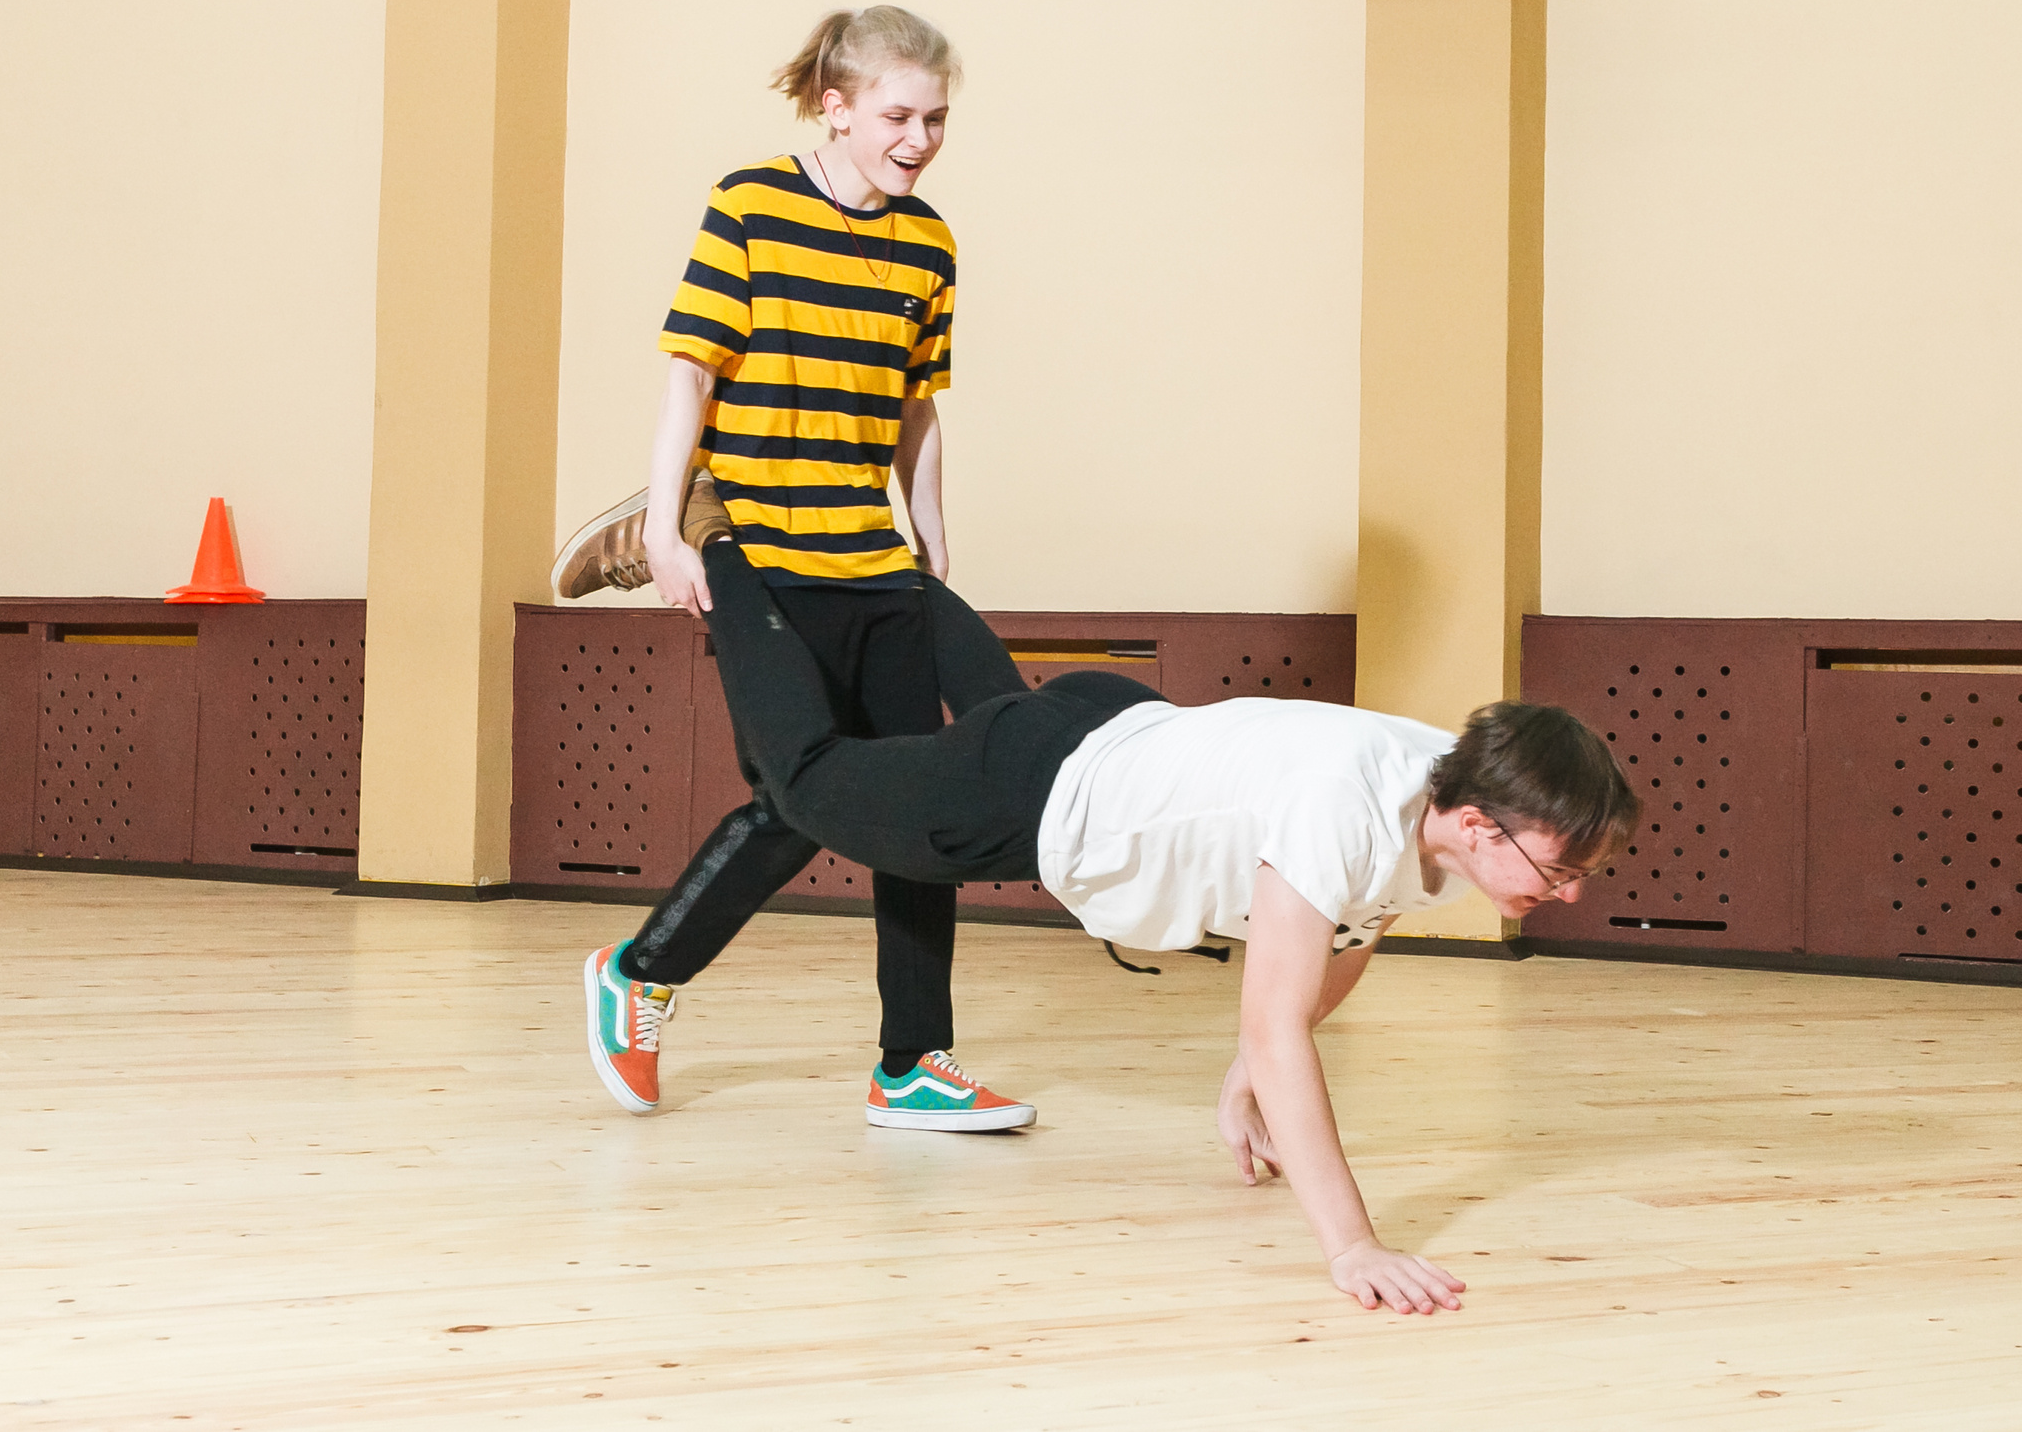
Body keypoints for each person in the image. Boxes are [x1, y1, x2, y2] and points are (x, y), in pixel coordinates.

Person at [589, 563, 1642, 1314]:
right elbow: (1282, 1020)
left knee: (928, 770)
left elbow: (1353, 924)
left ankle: (890, 571)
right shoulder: (1348, 808)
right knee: (806, 782)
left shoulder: (1446, 781)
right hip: (1034, 791)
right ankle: (713, 554)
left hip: (1115, 727)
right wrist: (1351, 1243)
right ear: (1474, 824)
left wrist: (1244, 1077)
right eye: (1560, 869)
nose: (1567, 893)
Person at [566, 5, 1037, 1130]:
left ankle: (911, 1062)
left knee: (913, 798)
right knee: (803, 792)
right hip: (757, 551)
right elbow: (691, 371)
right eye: (897, 115)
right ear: (836, 104)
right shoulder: (751, 204)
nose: (919, 138)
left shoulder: (929, 243)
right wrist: (675, 534)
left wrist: (930, 538)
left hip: (870, 559)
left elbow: (916, 408)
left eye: (936, 119)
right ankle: (641, 975)